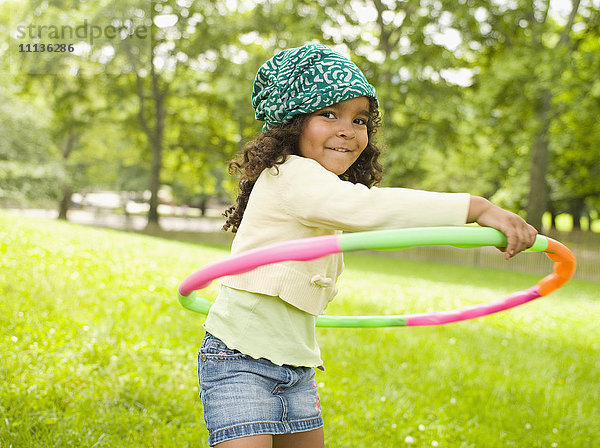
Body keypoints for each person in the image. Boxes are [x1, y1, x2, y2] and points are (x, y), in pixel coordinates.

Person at [197, 43, 537, 448]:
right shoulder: (292, 176)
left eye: (360, 119)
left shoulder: (322, 187)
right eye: (328, 114)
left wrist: (472, 237)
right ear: (292, 122)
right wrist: (475, 207)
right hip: (240, 360)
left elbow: (396, 226)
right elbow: (371, 209)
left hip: (298, 365)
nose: (347, 129)